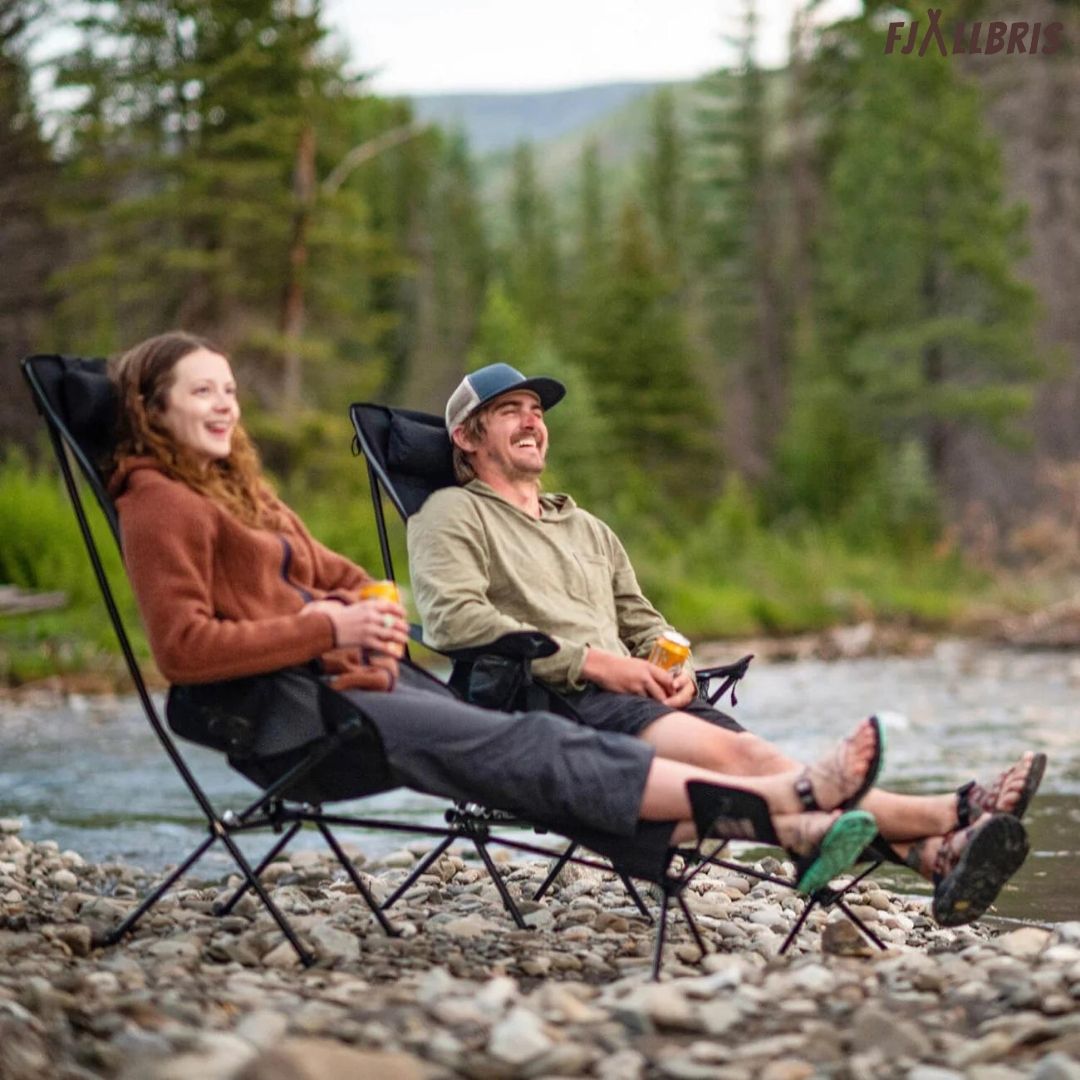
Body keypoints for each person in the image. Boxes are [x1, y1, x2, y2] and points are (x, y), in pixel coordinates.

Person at [107, 330, 887, 897]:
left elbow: (339, 574)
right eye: (202, 389)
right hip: (292, 711)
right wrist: (333, 628)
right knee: (546, 747)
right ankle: (796, 808)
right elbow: (182, 650)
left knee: (593, 753)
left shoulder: (245, 498)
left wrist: (663, 652)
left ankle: (878, 827)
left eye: (231, 390)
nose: (225, 404)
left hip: (364, 683)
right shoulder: (162, 503)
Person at [407, 362, 1044, 926]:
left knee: (763, 766)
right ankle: (954, 810)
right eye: (507, 412)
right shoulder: (452, 514)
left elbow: (643, 620)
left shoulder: (587, 527)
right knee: (755, 764)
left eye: (537, 412)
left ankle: (934, 857)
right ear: (466, 436)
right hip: (550, 705)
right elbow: (451, 620)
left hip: (635, 696)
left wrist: (669, 660)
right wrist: (590, 662)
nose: (531, 422)